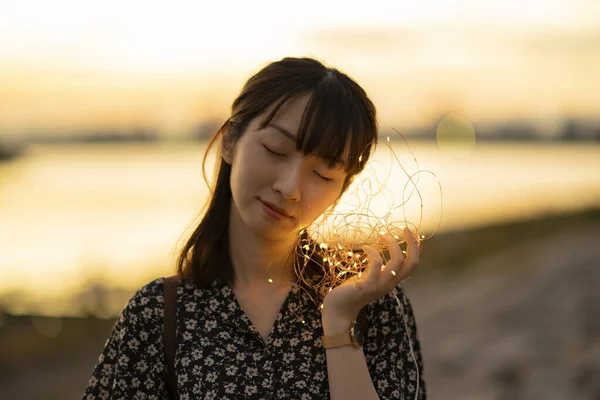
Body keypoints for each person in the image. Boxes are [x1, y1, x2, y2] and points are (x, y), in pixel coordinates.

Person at [83, 57, 426, 400]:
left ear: (341, 189)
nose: (291, 188)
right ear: (230, 141)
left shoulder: (372, 305)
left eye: (322, 175)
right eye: (276, 151)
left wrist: (339, 326)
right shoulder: (158, 315)